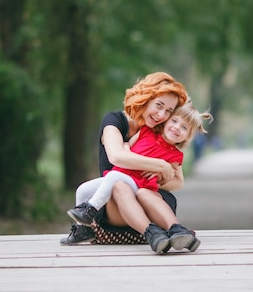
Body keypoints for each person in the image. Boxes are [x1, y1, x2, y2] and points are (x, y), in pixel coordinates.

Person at [60, 72, 193, 253]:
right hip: (117, 203)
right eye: (158, 105)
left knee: (132, 188)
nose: (162, 115)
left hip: (152, 198)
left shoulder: (161, 132)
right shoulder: (115, 122)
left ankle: (171, 231)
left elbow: (177, 181)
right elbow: (117, 157)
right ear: (146, 97)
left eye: (169, 111)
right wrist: (160, 166)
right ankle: (84, 228)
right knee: (104, 187)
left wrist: (159, 178)